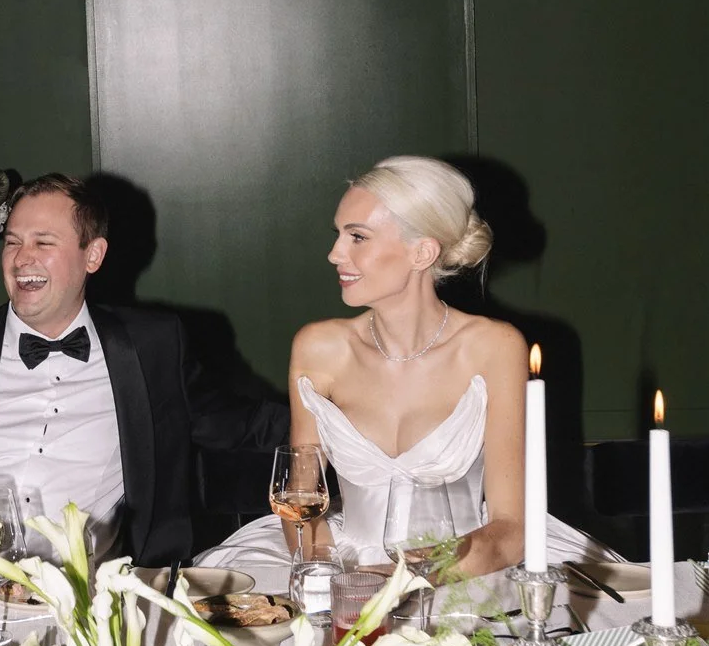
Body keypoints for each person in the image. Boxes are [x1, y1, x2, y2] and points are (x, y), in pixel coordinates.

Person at [0, 173, 288, 571]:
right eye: (13, 242)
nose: (22, 259)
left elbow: (245, 427)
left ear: (92, 255)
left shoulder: (151, 348)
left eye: (43, 243)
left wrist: (328, 422)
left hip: (94, 599)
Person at [203, 155, 596, 578]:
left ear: (422, 252)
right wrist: (331, 581)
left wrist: (399, 584)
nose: (335, 254)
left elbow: (510, 529)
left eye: (358, 237)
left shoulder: (493, 347)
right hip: (340, 565)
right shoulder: (319, 348)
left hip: (465, 568)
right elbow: (300, 503)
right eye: (338, 235)